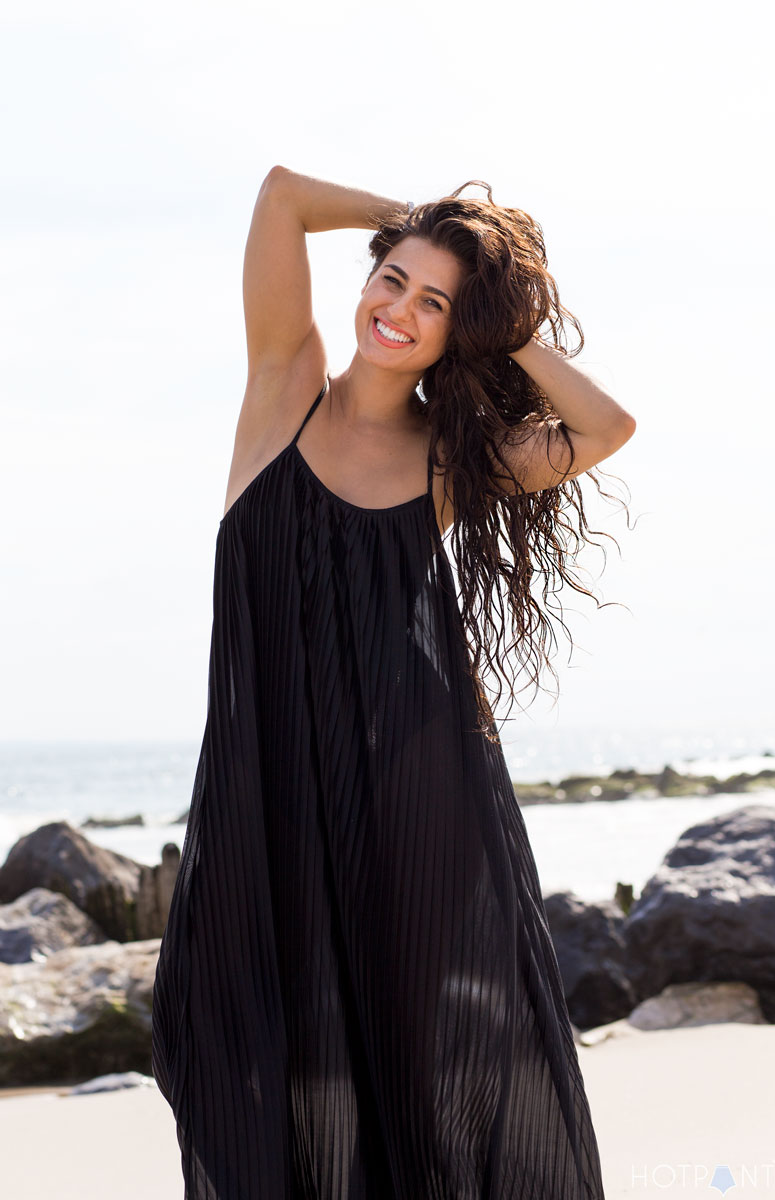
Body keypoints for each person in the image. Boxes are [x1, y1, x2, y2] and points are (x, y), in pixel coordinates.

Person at [151, 166, 636, 1199]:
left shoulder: (449, 461)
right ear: (366, 274)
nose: (398, 311)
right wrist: (414, 227)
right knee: (233, 1062)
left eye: (433, 305)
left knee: (420, 1081)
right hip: (262, 804)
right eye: (393, 281)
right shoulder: (282, 384)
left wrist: (497, 323)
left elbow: (601, 431)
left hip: (419, 805)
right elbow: (281, 195)